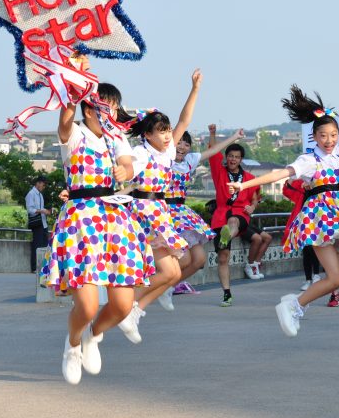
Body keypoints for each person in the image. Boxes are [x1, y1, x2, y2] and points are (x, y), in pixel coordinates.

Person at [229, 87, 339, 337]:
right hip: (321, 220)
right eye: (323, 135)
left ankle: (295, 302)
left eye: (333, 135)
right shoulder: (309, 160)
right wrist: (244, 184)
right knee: (334, 278)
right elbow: (279, 174)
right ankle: (295, 305)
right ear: (314, 137)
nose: (329, 140)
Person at [43, 72, 155, 385]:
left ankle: (93, 335)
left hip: (115, 220)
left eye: (117, 107)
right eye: (109, 107)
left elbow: (128, 163)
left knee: (121, 305)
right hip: (81, 221)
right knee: (89, 303)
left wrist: (126, 168)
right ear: (90, 109)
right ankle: (73, 344)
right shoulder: (76, 135)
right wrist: (72, 83)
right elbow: (65, 121)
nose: (114, 113)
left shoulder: (117, 138)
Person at [113, 69, 202, 344]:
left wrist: (195, 89)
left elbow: (185, 119)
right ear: (148, 134)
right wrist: (121, 174)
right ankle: (128, 310)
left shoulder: (169, 151)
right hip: (143, 211)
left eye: (167, 131)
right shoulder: (141, 153)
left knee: (174, 271)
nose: (167, 136)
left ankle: (135, 310)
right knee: (169, 271)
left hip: (160, 212)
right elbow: (128, 169)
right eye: (161, 131)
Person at [168, 125, 244, 297]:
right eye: (178, 142)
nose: (182, 147)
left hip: (180, 212)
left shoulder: (189, 160)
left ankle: (170, 286)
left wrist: (234, 137)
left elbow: (214, 151)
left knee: (199, 259)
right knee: (184, 258)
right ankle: (156, 284)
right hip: (162, 212)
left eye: (186, 144)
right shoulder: (161, 159)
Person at [208, 131, 273, 306]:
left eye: (236, 157)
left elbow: (256, 197)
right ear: (226, 157)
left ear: (241, 159)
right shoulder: (219, 173)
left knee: (234, 222)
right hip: (220, 215)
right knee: (223, 257)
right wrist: (212, 133)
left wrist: (252, 207)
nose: (233, 159)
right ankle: (227, 294)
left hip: (240, 213)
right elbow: (213, 151)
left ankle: (225, 237)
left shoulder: (249, 179)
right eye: (230, 156)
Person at [25, 176, 51, 273]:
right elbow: (30, 210)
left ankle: (42, 267)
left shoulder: (40, 195)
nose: (43, 187)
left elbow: (41, 208)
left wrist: (46, 211)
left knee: (44, 245)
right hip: (37, 223)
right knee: (37, 246)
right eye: (43, 185)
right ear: (38, 183)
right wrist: (42, 211)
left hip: (43, 223)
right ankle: (34, 267)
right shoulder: (31, 194)